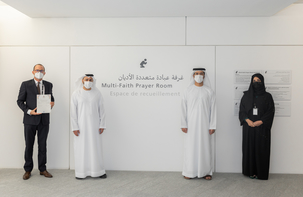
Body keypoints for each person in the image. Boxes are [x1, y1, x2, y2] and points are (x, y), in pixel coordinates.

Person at [17, 64, 55, 180]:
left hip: (44, 120)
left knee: (42, 145)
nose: (39, 72)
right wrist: (29, 111)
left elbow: (51, 98)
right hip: (30, 120)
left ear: (44, 72)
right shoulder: (26, 84)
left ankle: (42, 169)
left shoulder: (48, 85)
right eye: (37, 70)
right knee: (29, 145)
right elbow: (19, 101)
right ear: (33, 72)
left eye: (41, 70)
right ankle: (28, 169)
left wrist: (52, 103)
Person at [181, 68, 216, 180]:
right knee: (191, 147)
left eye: (201, 74)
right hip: (191, 125)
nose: (199, 76)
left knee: (205, 147)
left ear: (204, 76)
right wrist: (183, 124)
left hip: (205, 125)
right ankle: (189, 171)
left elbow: (213, 109)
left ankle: (206, 172)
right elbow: (183, 109)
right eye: (196, 74)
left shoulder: (209, 91)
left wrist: (212, 125)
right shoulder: (187, 91)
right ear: (193, 75)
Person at [239, 73, 275, 180]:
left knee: (261, 149)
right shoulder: (246, 96)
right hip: (249, 127)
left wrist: (262, 121)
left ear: (262, 82)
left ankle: (261, 173)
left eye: (258, 80)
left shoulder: (267, 96)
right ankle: (250, 171)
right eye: (254, 80)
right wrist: (247, 120)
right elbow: (242, 111)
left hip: (262, 128)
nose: (256, 82)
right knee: (249, 149)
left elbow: (271, 111)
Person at [71, 74, 107, 180]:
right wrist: (74, 127)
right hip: (81, 126)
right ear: (82, 80)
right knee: (81, 148)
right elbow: (73, 112)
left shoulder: (97, 93)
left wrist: (102, 124)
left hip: (95, 126)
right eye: (86, 79)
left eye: (90, 80)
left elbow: (102, 110)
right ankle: (81, 172)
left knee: (95, 147)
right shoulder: (76, 94)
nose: (88, 81)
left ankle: (98, 171)